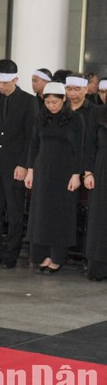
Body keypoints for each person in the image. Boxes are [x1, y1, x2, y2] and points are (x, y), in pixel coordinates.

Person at [0, 59, 37, 268]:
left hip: (15, 166)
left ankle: (12, 253)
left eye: (5, 83)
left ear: (15, 79)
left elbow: (30, 137)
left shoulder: (28, 101)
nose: (1, 87)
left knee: (14, 211)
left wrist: (23, 164)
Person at [25, 82, 84, 275]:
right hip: (43, 170)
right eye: (48, 102)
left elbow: (80, 149)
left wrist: (76, 175)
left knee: (59, 215)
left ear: (64, 100)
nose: (51, 105)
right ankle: (42, 256)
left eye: (55, 102)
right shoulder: (40, 118)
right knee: (41, 214)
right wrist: (30, 171)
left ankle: (57, 258)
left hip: (64, 172)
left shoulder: (75, 120)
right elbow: (34, 145)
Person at [84, 103, 107, 280]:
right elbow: (89, 144)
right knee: (99, 219)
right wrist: (88, 173)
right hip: (101, 170)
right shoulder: (98, 112)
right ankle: (98, 268)